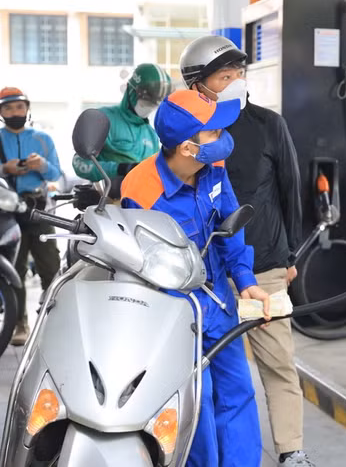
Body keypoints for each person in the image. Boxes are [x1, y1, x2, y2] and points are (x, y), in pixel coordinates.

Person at [121, 89, 271, 467]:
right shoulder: (141, 192)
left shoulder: (214, 169)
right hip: (173, 317)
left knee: (237, 393)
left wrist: (245, 279)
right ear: (187, 148)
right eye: (214, 133)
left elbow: (229, 225)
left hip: (219, 306)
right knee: (194, 403)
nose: (223, 139)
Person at [180, 36, 311, 467]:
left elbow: (292, 191)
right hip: (207, 278)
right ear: (199, 85)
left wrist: (290, 257)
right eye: (224, 76)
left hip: (266, 265)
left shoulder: (269, 125)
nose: (236, 81)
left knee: (279, 363)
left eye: (240, 73)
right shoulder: (182, 132)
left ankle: (291, 450)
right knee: (211, 376)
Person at [0, 87, 62, 346]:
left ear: (27, 109)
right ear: (0, 112)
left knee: (51, 268)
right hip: (5, 213)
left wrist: (41, 165)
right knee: (15, 269)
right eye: (8, 108)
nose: (15, 112)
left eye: (19, 107)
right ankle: (19, 323)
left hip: (39, 209)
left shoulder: (43, 139)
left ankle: (51, 322)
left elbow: (56, 174)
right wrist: (3, 169)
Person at [72, 63, 172, 202]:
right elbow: (80, 164)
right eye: (146, 101)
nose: (149, 107)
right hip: (103, 205)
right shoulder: (103, 120)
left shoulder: (151, 134)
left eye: (154, 104)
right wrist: (120, 169)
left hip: (139, 208)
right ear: (131, 92)